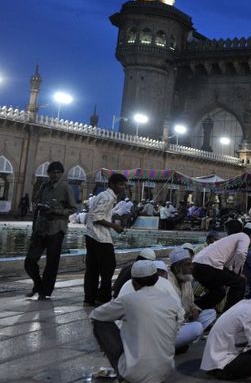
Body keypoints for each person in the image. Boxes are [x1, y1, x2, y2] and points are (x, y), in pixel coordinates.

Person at [90, 261, 183, 383]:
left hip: (135, 374)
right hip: (165, 371)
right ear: (156, 279)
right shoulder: (170, 300)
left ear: (134, 282)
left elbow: (96, 314)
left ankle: (121, 372)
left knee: (99, 322)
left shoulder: (129, 300)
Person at [24, 161, 77, 300]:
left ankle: (44, 291)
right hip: (41, 229)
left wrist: (55, 210)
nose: (55, 174)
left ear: (61, 173)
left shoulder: (65, 188)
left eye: (58, 172)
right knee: (29, 260)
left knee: (52, 263)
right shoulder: (44, 186)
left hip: (56, 229)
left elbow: (73, 208)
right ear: (48, 173)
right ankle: (38, 284)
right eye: (53, 172)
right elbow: (36, 206)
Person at [84, 173, 128, 306]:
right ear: (112, 184)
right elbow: (97, 216)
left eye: (124, 185)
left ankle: (89, 298)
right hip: (99, 237)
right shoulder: (107, 197)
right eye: (120, 185)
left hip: (91, 235)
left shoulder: (105, 195)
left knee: (93, 269)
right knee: (108, 267)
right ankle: (102, 297)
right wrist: (115, 226)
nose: (123, 188)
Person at [192, 223, 251, 312]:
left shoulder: (233, 239)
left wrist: (234, 272)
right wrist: (238, 272)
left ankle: (195, 307)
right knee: (240, 282)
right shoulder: (244, 237)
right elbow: (241, 253)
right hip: (207, 266)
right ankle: (230, 312)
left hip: (197, 266)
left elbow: (226, 266)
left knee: (220, 292)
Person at [167, 248, 217, 350]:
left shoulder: (187, 279)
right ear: (177, 267)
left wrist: (194, 309)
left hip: (185, 320)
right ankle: (178, 343)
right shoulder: (167, 282)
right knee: (197, 328)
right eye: (188, 264)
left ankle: (183, 340)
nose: (192, 267)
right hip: (172, 326)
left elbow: (191, 302)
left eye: (191, 264)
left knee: (211, 313)